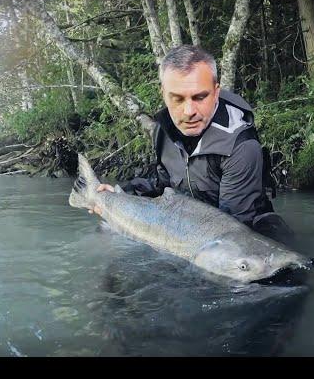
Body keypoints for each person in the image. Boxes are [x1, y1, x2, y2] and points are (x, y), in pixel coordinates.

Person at [89, 45, 293, 244]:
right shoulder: (163, 129)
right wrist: (119, 194)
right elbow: (162, 186)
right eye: (177, 99)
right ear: (163, 94)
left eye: (200, 97)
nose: (189, 111)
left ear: (216, 92)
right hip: (189, 223)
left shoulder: (240, 145)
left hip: (243, 234)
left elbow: (234, 229)